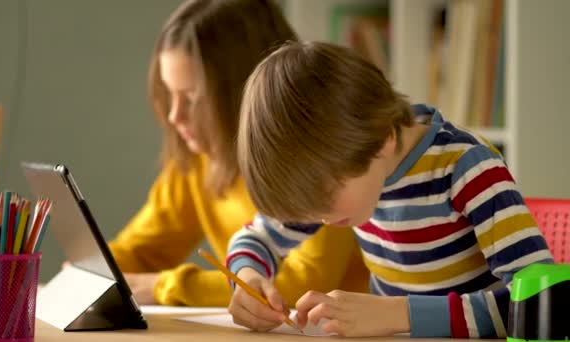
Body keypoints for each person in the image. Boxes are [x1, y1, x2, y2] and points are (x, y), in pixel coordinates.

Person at [226, 41, 553, 337]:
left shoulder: (467, 170)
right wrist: (248, 279)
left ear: (384, 140)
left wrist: (402, 314)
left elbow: (541, 306)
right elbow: (256, 237)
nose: (319, 219)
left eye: (323, 199)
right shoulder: (356, 162)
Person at [107, 1, 369, 307]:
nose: (174, 116)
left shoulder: (318, 159)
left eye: (192, 98)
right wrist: (92, 271)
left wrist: (167, 286)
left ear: (247, 91)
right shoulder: (197, 161)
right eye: (169, 94)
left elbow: (301, 285)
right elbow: (139, 251)